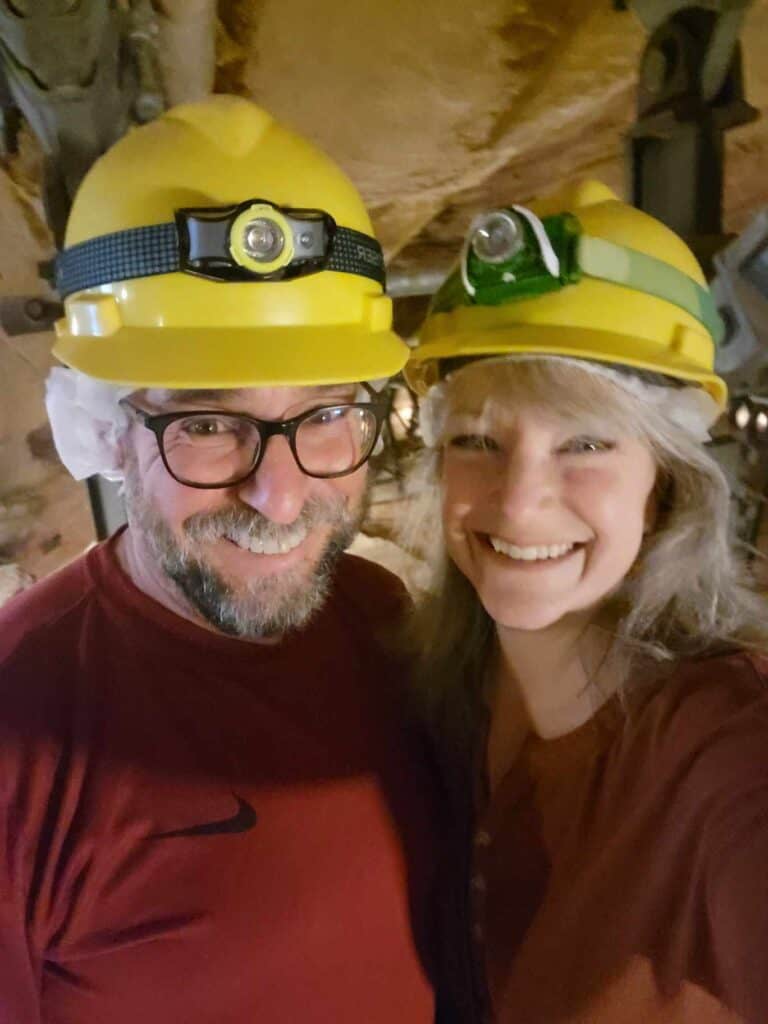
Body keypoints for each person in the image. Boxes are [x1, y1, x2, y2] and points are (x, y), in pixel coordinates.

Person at [0, 96, 439, 1024]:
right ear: (104, 433)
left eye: (324, 415)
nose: (278, 498)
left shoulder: (384, 621)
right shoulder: (19, 727)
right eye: (205, 424)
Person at [404, 180, 768, 1024]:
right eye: (477, 441)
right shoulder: (440, 684)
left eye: (587, 442)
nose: (520, 500)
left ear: (666, 481)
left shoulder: (726, 747)